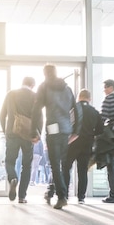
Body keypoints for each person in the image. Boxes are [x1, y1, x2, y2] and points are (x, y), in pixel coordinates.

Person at [31, 64, 78, 210]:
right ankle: (59, 193)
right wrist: (76, 129)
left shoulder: (44, 86)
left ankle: (62, 196)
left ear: (45, 73)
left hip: (53, 128)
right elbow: (75, 109)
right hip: (65, 129)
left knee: (54, 164)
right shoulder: (67, 88)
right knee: (63, 164)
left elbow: (37, 109)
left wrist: (34, 130)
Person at [62, 89, 103, 204]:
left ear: (79, 97)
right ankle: (81, 197)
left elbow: (66, 123)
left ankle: (64, 194)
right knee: (83, 170)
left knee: (66, 167)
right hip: (87, 143)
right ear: (89, 98)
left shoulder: (72, 109)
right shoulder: (94, 112)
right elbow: (100, 130)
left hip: (72, 142)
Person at [0, 76, 36, 203]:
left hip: (12, 133)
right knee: (26, 166)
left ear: (22, 83)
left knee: (10, 161)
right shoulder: (34, 96)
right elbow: (39, 117)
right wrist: (37, 134)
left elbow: (1, 115)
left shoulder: (11, 94)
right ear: (32, 85)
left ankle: (13, 178)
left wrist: (6, 132)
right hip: (28, 135)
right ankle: (22, 196)